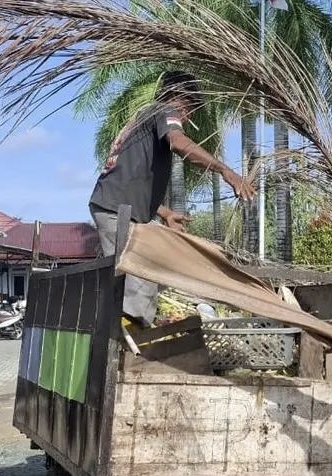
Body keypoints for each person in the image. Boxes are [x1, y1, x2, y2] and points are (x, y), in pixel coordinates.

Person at [88, 71, 254, 327]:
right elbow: (177, 141)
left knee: (153, 265)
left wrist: (164, 213)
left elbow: (131, 178)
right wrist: (225, 170)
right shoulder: (165, 110)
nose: (188, 118)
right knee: (140, 274)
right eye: (189, 110)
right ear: (177, 97)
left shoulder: (146, 116)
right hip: (115, 210)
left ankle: (136, 333)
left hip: (115, 206)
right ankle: (133, 348)